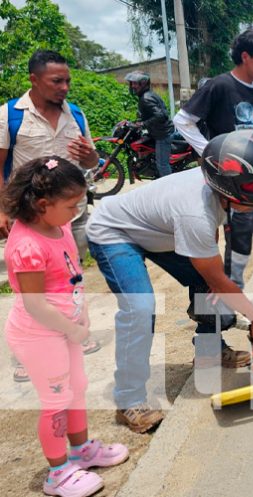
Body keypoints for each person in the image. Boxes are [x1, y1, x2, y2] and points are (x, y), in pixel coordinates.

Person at [86, 130, 253, 433]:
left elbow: (209, 260)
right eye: (250, 197)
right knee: (140, 307)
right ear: (227, 191)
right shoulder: (195, 212)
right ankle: (129, 399)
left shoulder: (216, 189)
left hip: (161, 233)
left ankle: (209, 352)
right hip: (114, 233)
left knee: (208, 287)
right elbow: (217, 278)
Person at [2, 156, 129, 497]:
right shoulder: (27, 245)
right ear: (43, 204)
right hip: (40, 336)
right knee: (56, 400)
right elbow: (35, 303)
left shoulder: (58, 228)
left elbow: (72, 276)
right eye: (72, 205)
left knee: (77, 386)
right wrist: (73, 329)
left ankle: (80, 450)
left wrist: (81, 314)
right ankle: (57, 472)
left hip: (65, 330)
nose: (78, 211)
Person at [173, 27, 253, 310]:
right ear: (245, 56)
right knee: (239, 240)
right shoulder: (219, 86)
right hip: (237, 185)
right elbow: (183, 120)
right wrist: (210, 155)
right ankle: (232, 295)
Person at [0, 49, 101, 381]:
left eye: (68, 80)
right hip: (29, 219)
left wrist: (90, 156)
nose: (65, 87)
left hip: (68, 219)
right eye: (57, 81)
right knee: (31, 288)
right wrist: (1, 208)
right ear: (34, 79)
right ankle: (25, 354)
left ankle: (68, 335)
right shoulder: (9, 116)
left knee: (67, 280)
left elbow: (89, 164)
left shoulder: (76, 115)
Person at [124, 71, 174, 178]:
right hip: (160, 132)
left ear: (143, 84)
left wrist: (143, 124)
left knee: (162, 165)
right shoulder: (148, 95)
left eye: (135, 83)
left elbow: (161, 115)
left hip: (162, 135)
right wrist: (138, 122)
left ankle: (170, 188)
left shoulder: (146, 98)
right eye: (132, 83)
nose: (133, 86)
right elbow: (153, 114)